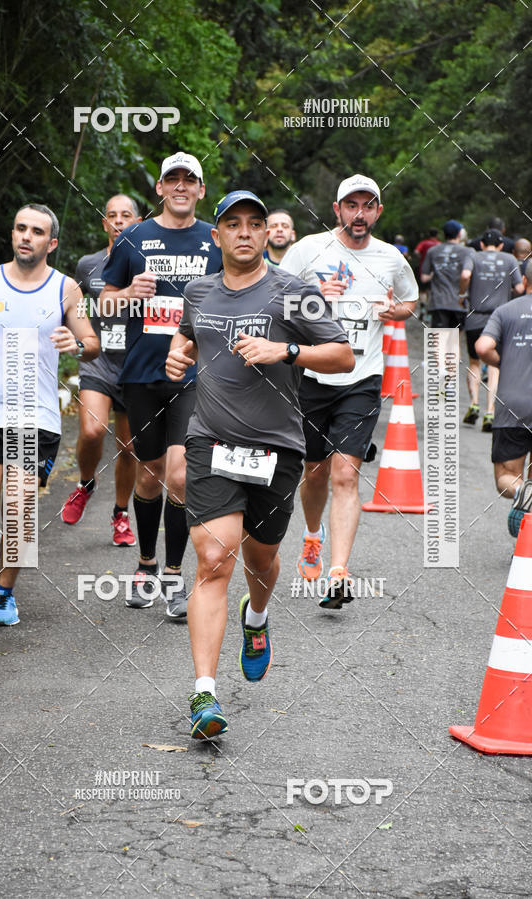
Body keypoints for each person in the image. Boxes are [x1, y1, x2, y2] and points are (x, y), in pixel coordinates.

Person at [165, 190, 354, 738]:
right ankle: (204, 694)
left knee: (262, 560)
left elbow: (340, 354)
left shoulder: (292, 291)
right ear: (217, 235)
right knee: (214, 558)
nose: (245, 232)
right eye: (233, 224)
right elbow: (188, 339)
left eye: (255, 223)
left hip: (277, 449)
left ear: (267, 233)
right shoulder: (198, 292)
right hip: (211, 445)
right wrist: (181, 354)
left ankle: (257, 617)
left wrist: (285, 351)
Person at [0, 204, 99, 626]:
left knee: (20, 506)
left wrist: (77, 343)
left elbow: (91, 342)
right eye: (20, 228)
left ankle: (5, 591)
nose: (26, 236)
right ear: (13, 234)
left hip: (36, 415)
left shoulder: (66, 289)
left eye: (36, 231)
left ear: (51, 243)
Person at [280, 174, 418, 606]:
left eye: (368, 206)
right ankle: (313, 534)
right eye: (351, 206)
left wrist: (394, 311)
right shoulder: (308, 250)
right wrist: (313, 296)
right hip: (312, 375)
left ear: (378, 211)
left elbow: (410, 302)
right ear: (337, 209)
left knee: (345, 473)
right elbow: (273, 300)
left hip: (362, 377)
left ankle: (338, 572)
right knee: (315, 471)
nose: (360, 214)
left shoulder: (391, 258)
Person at [99, 152, 222, 618]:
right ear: (159, 188)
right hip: (142, 373)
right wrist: (129, 294)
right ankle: (146, 564)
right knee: (148, 476)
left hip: (197, 375)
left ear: (201, 190)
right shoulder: (132, 237)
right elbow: (105, 304)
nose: (181, 186)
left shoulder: (215, 239)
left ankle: (173, 574)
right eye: (173, 178)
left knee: (181, 475)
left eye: (191, 180)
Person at [61, 195, 141, 546]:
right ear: (104, 224)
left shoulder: (150, 266)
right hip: (98, 361)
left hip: (136, 366)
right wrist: (81, 337)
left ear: (138, 223)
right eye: (112, 216)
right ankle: (86, 482)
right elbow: (77, 307)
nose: (119, 221)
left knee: (129, 449)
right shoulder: (87, 265)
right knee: (93, 431)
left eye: (126, 215)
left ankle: (121, 514)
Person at [475, 259, 532, 537]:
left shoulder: (505, 310)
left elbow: (483, 346)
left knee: (506, 478)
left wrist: (502, 361)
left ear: (525, 280)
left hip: (513, 406)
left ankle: (523, 493)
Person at [460, 228, 524, 431]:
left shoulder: (473, 256)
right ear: (501, 245)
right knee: (495, 366)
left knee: (474, 361)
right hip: (499, 319)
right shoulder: (509, 259)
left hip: (475, 316)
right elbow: (521, 289)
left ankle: (473, 404)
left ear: (481, 244)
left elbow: (465, 274)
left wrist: (463, 292)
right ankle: (490, 411)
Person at [420, 219, 474, 329]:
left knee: (437, 343)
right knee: (453, 343)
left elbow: (424, 278)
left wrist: (436, 272)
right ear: (459, 234)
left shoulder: (433, 251)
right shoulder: (469, 252)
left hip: (438, 303)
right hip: (459, 304)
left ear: (444, 234)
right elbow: (468, 275)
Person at [413, 227, 441, 321]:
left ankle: (422, 309)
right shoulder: (439, 245)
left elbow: (416, 251)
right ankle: (429, 315)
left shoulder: (424, 243)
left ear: (429, 234)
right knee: (431, 292)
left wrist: (421, 258)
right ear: (437, 235)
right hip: (436, 272)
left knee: (423, 291)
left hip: (423, 270)